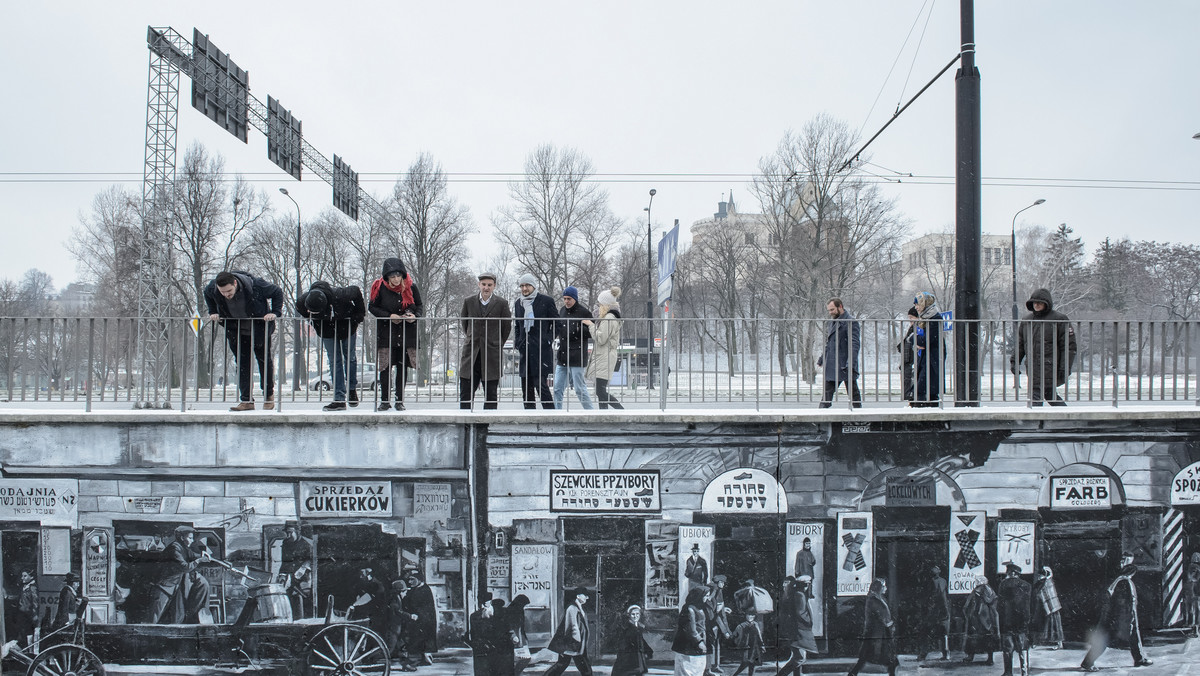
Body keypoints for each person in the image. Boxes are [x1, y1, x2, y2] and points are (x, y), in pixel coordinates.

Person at [204, 270, 283, 411]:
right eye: (223, 292)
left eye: (229, 291)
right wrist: (212, 311)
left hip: (259, 328)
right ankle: (246, 400)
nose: (226, 295)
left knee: (263, 360)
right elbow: (207, 294)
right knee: (242, 363)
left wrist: (275, 312)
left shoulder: (256, 285)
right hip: (236, 330)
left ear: (235, 283)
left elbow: (277, 292)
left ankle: (268, 396)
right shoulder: (213, 288)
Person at [296, 280, 366, 411]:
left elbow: (356, 291)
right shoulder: (303, 301)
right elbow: (300, 308)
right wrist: (313, 320)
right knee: (334, 361)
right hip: (326, 331)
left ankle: (351, 389)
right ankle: (339, 398)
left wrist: (359, 315)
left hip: (347, 326)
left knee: (350, 358)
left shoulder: (341, 294)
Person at [369, 258, 424, 411]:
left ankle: (400, 400)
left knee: (402, 367)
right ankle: (384, 400)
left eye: (398, 276)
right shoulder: (379, 288)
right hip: (387, 333)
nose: (395, 279)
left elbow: (419, 305)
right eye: (392, 277)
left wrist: (414, 316)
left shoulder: (411, 287)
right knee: (385, 367)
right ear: (387, 277)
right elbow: (372, 307)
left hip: (406, 333)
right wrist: (388, 315)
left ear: (402, 275)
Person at [1081, 556, 1153, 671]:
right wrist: (1128, 621)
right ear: (1132, 573)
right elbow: (1125, 604)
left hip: (1122, 617)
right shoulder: (1126, 583)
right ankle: (1087, 662)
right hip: (1122, 618)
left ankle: (1139, 659)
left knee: (1134, 637)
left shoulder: (1118, 581)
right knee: (1105, 640)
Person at [1010, 288, 1077, 406]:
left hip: (1050, 365)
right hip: (1033, 365)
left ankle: (1037, 421)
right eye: (1034, 302)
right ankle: (1063, 417)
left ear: (1047, 304)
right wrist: (1015, 361)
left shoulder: (1059, 319)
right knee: (1048, 394)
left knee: (1038, 394)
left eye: (1039, 302)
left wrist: (1064, 367)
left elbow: (1068, 346)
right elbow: (1021, 343)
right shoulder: (1027, 320)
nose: (1036, 305)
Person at [459, 272, 513, 410]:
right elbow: (464, 323)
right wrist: (472, 337)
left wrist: (496, 341)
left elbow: (506, 327)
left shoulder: (502, 303)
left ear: (494, 286)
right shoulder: (469, 302)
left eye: (489, 285)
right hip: (472, 353)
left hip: (491, 354)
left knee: (491, 394)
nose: (486, 288)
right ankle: (465, 426)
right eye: (483, 284)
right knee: (466, 392)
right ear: (479, 285)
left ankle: (485, 427)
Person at [513, 274, 557, 409]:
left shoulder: (546, 301)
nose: (524, 288)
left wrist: (547, 339)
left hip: (540, 350)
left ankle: (551, 417)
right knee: (526, 389)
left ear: (533, 286)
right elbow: (518, 325)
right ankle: (529, 417)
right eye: (522, 286)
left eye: (527, 285)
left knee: (541, 386)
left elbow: (557, 323)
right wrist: (518, 341)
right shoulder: (518, 303)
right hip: (524, 350)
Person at [150, 525, 211, 624]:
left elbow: (191, 555)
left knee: (176, 616)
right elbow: (185, 567)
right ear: (182, 538)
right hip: (164, 586)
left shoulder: (184, 547)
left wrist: (201, 554)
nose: (192, 541)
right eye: (190, 538)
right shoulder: (175, 548)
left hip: (174, 586)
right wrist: (199, 560)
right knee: (155, 616)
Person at [583, 286, 624, 409]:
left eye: (599, 304)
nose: (598, 306)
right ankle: (604, 414)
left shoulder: (609, 318)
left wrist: (590, 325)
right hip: (604, 356)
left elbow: (601, 338)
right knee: (601, 391)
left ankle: (622, 412)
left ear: (605, 305)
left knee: (600, 391)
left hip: (605, 357)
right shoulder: (609, 317)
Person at [554, 286, 594, 409]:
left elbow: (591, 332)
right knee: (557, 388)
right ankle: (557, 413)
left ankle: (591, 413)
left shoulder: (584, 312)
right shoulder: (562, 311)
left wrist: (578, 329)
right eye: (565, 298)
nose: (566, 301)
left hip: (577, 356)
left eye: (569, 299)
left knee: (579, 389)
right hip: (563, 355)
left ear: (575, 299)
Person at [817, 298, 862, 408]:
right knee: (828, 393)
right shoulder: (832, 322)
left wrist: (850, 362)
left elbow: (854, 344)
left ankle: (859, 417)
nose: (830, 312)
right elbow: (830, 342)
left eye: (832, 309)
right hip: (834, 362)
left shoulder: (851, 322)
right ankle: (822, 415)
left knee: (853, 392)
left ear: (840, 306)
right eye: (829, 310)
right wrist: (822, 358)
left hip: (844, 362)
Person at [847, 578, 897, 676]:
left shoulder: (879, 598)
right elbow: (880, 615)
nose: (886, 588)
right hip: (876, 632)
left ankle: (853, 673)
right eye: (884, 586)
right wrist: (888, 623)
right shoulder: (873, 599)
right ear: (879, 587)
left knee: (884, 656)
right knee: (869, 655)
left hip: (881, 631)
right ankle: (853, 673)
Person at [546, 586, 592, 676]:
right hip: (572, 644)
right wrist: (577, 641)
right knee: (582, 667)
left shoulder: (580, 608)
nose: (587, 597)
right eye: (585, 595)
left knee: (563, 664)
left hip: (576, 644)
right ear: (578, 596)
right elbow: (572, 626)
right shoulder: (572, 608)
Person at [777, 576, 818, 676]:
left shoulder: (796, 594)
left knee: (798, 656)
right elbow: (801, 613)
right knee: (800, 658)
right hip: (800, 630)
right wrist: (809, 622)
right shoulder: (800, 595)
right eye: (808, 584)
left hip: (798, 629)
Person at [998, 563, 1032, 676]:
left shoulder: (1003, 585)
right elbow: (1028, 605)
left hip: (1007, 622)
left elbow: (1000, 606)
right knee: (1023, 647)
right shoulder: (1026, 585)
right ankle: (1024, 672)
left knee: (1008, 649)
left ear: (1008, 573)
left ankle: (1008, 672)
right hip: (1022, 621)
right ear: (1018, 573)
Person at [910, 292, 943, 407]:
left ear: (924, 304)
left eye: (917, 304)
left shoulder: (935, 318)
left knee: (925, 388)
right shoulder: (924, 317)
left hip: (932, 357)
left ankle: (925, 414)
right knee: (926, 387)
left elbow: (927, 340)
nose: (916, 307)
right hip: (926, 357)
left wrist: (915, 338)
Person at [277, 521, 313, 619]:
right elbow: (284, 561)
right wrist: (282, 575)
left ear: (297, 531)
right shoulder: (286, 543)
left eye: (290, 532)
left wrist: (301, 571)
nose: (288, 535)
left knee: (302, 598)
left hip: (304, 577)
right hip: (289, 576)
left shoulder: (307, 544)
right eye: (287, 533)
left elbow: (309, 561)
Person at [962, 575, 999, 665]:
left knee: (972, 638)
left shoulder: (976, 591)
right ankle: (990, 658)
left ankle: (970, 656)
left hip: (976, 619)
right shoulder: (991, 592)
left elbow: (967, 606)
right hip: (987, 619)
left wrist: (967, 614)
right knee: (988, 638)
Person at [673, 586, 709, 676]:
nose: (707, 598)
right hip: (688, 647)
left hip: (697, 647)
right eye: (706, 596)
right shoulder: (689, 610)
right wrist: (699, 642)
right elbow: (691, 629)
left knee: (697, 671)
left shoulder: (700, 607)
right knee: (687, 671)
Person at [403, 574, 439, 665]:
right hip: (416, 619)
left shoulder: (425, 590)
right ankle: (421, 659)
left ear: (419, 579)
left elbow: (424, 607)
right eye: (409, 580)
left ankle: (420, 660)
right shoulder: (414, 589)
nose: (410, 582)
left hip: (424, 620)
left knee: (422, 640)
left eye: (412, 579)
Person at [919, 565, 950, 662]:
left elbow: (932, 596)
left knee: (926, 631)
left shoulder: (931, 582)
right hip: (944, 610)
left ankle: (923, 654)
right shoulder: (944, 581)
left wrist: (928, 608)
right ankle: (946, 653)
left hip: (934, 611)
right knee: (943, 633)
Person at [611, 604, 653, 676]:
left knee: (638, 672)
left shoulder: (638, 626)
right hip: (628, 657)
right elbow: (623, 643)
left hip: (637, 657)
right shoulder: (626, 627)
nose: (635, 616)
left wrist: (648, 650)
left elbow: (641, 640)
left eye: (637, 614)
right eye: (633, 614)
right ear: (629, 615)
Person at [469, 591, 503, 676]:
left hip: (495, 645)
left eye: (487, 600)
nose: (485, 602)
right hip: (481, 646)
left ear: (491, 601)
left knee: (495, 669)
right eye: (483, 601)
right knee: (481, 670)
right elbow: (474, 632)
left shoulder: (499, 613)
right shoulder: (475, 615)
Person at [705, 575, 732, 675]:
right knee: (710, 645)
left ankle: (716, 666)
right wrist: (725, 631)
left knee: (716, 644)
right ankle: (708, 669)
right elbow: (715, 613)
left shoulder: (718, 591)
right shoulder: (713, 591)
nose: (723, 584)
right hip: (711, 623)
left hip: (715, 623)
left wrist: (723, 609)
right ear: (718, 583)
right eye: (722, 582)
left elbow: (718, 607)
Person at [348, 568, 387, 637]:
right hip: (366, 612)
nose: (360, 577)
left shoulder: (376, 584)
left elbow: (368, 597)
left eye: (362, 575)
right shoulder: (364, 583)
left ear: (368, 574)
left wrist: (355, 604)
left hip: (375, 614)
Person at [1032, 566, 1063, 649]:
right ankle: (1037, 642)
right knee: (1041, 624)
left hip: (1052, 607)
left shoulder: (1048, 582)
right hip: (1043, 607)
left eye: (1041, 575)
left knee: (1054, 624)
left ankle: (1059, 643)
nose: (1039, 577)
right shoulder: (1041, 583)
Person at [730, 612, 764, 676]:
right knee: (745, 662)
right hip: (746, 647)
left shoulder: (756, 624)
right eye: (748, 615)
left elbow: (759, 635)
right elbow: (734, 635)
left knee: (752, 663)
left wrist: (762, 645)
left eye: (752, 615)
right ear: (745, 616)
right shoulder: (741, 625)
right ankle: (735, 674)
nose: (750, 616)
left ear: (754, 616)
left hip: (754, 646)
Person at [505, 594, 532, 675]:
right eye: (524, 604)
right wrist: (513, 635)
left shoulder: (520, 610)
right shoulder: (510, 610)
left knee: (526, 657)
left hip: (520, 636)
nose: (524, 606)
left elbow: (522, 626)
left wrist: (525, 639)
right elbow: (508, 625)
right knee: (519, 658)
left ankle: (516, 673)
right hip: (514, 637)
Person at [897, 306, 919, 401]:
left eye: (911, 317)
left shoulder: (916, 328)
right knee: (907, 380)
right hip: (908, 360)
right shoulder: (912, 328)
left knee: (908, 380)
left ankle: (909, 397)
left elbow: (908, 342)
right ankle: (908, 396)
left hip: (910, 360)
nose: (910, 320)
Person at [13, 570, 38, 646]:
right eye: (22, 576)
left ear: (31, 577)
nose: (22, 578)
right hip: (21, 613)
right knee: (21, 631)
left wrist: (34, 614)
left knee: (28, 632)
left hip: (28, 614)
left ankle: (28, 648)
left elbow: (35, 602)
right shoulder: (23, 587)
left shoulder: (32, 588)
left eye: (25, 576)